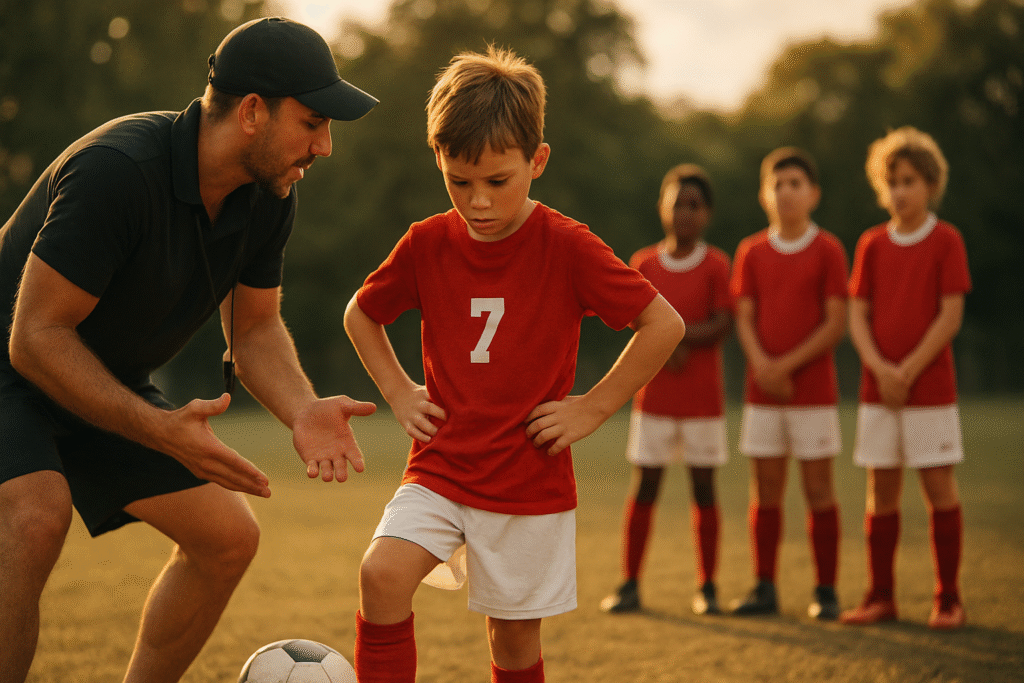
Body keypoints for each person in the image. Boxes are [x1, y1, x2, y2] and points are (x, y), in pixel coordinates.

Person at [0, 18, 378, 683]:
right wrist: (160, 429)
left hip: (97, 375)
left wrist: (302, 408)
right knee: (35, 513)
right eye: (313, 122)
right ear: (254, 112)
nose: (324, 147)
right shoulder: (118, 170)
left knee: (228, 539)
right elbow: (34, 338)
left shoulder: (268, 195)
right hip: (13, 362)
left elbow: (256, 329)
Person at [344, 47, 685, 682]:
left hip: (528, 477)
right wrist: (397, 390)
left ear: (538, 161)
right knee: (381, 575)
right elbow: (362, 313)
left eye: (497, 182)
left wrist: (592, 408)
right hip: (442, 462)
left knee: (512, 644)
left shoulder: (568, 245)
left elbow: (663, 323)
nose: (476, 201)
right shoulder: (425, 243)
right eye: (458, 181)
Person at [839, 127, 970, 630]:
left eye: (910, 180)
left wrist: (909, 370)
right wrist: (881, 370)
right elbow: (857, 315)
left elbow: (950, 315)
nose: (899, 191)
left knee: (938, 487)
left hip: (929, 391)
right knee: (882, 492)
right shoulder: (871, 244)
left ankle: (949, 598)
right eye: (891, 181)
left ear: (931, 184)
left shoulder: (946, 239)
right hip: (880, 392)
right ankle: (880, 597)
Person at [599, 164, 732, 617]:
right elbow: (633, 316)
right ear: (663, 208)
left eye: (694, 205)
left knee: (703, 490)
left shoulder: (716, 264)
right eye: (677, 204)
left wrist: (673, 336)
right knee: (646, 488)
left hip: (702, 401)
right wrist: (662, 338)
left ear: (706, 213)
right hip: (653, 397)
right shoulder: (645, 263)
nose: (685, 214)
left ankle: (708, 587)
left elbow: (722, 321)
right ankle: (630, 583)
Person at [729, 147, 848, 620]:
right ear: (764, 194)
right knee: (766, 491)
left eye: (795, 183)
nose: (786, 192)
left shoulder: (829, 249)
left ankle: (826, 590)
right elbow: (745, 316)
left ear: (813, 193)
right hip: (763, 393)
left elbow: (835, 322)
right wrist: (764, 366)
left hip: (813, 394)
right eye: (777, 184)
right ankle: (765, 588)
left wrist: (786, 367)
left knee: (819, 491)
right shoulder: (751, 251)